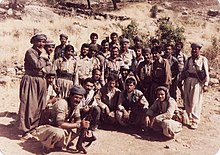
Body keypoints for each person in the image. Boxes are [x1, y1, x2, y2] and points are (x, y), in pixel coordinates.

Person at [32, 85, 90, 153]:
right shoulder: (62, 103)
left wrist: (84, 127)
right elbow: (60, 124)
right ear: (70, 96)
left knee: (81, 129)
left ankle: (60, 144)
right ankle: (46, 146)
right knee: (58, 133)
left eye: (80, 98)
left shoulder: (75, 105)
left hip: (58, 127)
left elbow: (78, 118)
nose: (78, 100)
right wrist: (78, 124)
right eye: (76, 97)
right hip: (47, 128)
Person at [18, 33, 50, 136]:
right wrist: (43, 58)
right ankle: (26, 129)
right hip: (31, 80)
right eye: (39, 41)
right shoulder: (30, 52)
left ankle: (35, 127)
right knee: (30, 105)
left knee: (40, 105)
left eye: (43, 42)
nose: (41, 44)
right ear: (34, 42)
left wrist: (45, 68)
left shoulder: (43, 53)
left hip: (41, 80)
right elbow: (37, 65)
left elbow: (49, 67)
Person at [181, 43, 209, 129]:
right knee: (187, 100)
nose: (194, 51)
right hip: (188, 81)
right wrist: (181, 80)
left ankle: (195, 120)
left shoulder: (203, 59)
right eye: (192, 49)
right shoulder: (189, 59)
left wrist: (206, 84)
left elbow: (206, 73)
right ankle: (188, 118)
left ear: (199, 50)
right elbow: (184, 70)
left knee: (195, 102)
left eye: (196, 49)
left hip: (197, 82)